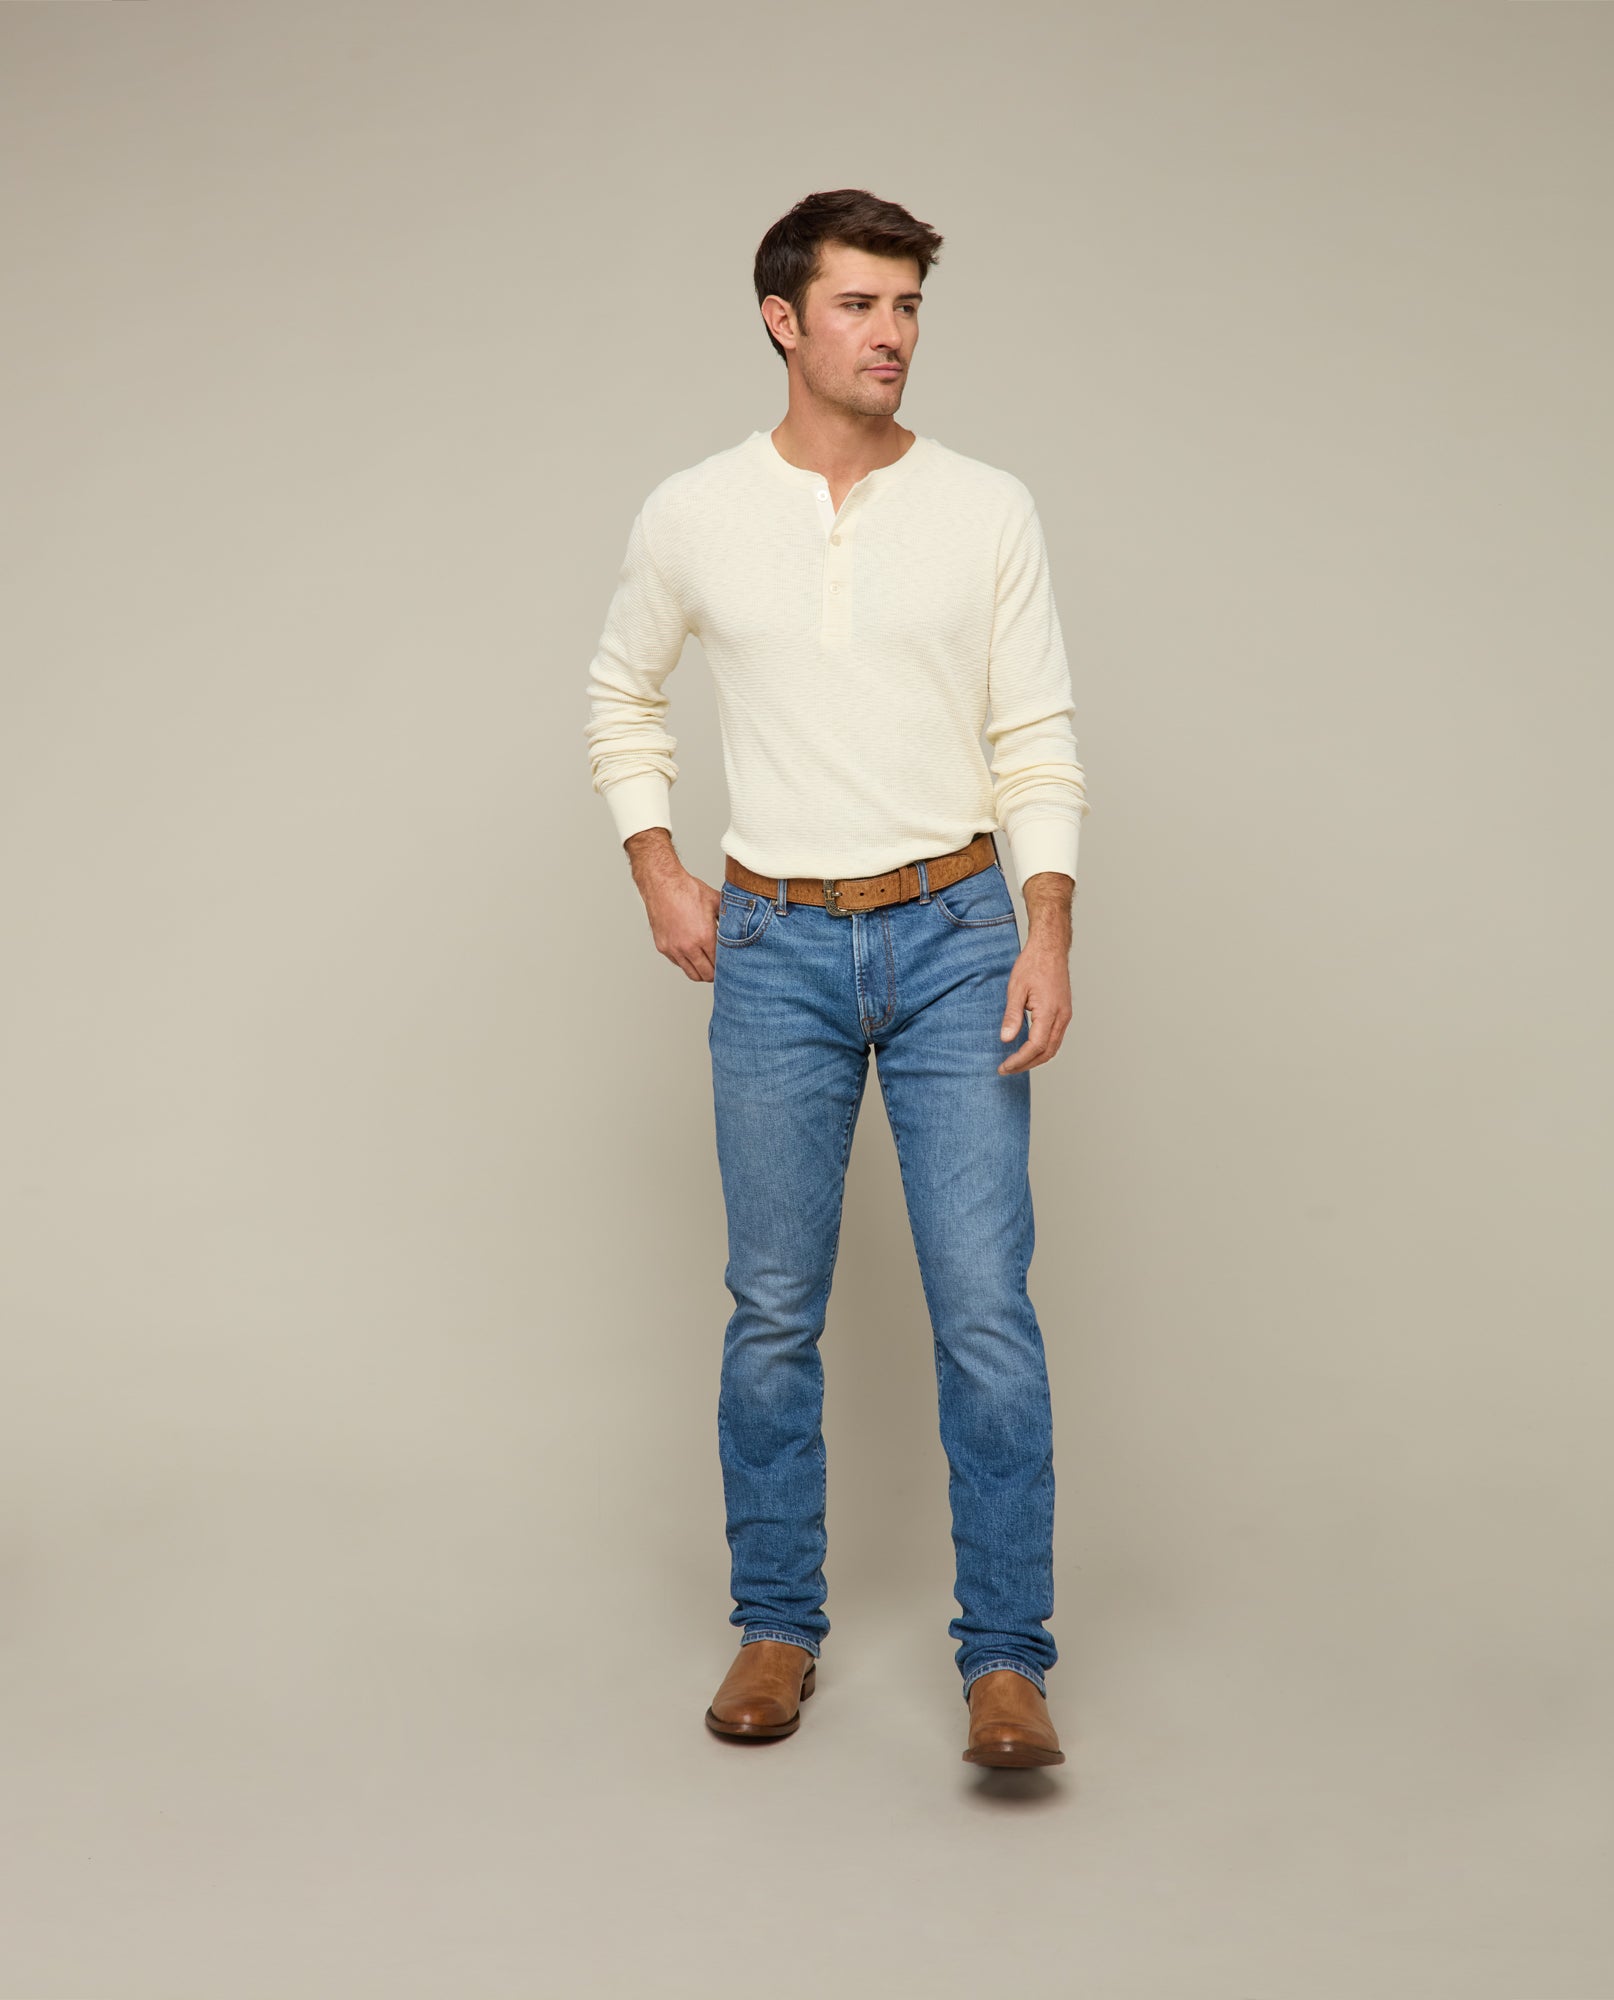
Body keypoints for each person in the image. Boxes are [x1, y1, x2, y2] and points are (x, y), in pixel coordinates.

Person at [583, 189, 1088, 1769]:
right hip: (776, 947)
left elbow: (1036, 731)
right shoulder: (694, 511)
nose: (891, 334)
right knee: (772, 1312)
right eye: (860, 305)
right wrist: (658, 865)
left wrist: (1049, 922)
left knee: (985, 1311)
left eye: (908, 305)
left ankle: (1006, 1663)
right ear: (782, 320)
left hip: (957, 934)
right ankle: (776, 1627)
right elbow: (620, 694)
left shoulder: (986, 507)